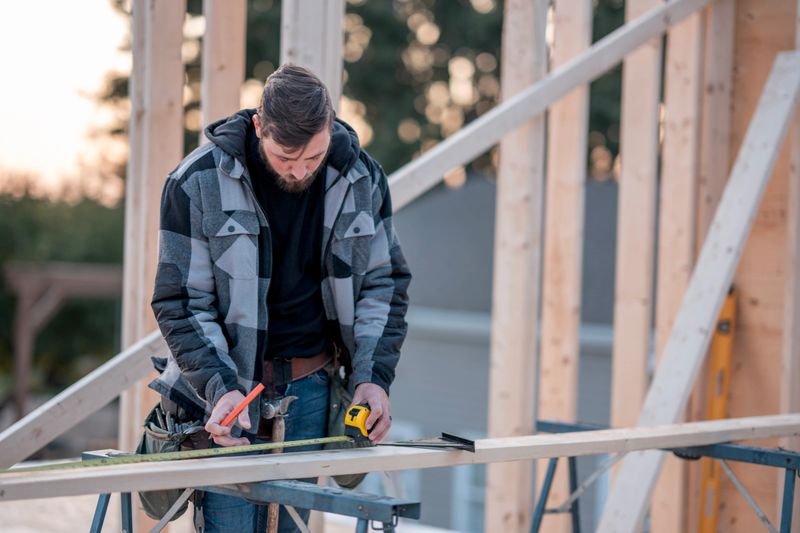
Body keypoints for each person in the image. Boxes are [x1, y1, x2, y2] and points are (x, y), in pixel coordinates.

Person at [149, 63, 411, 532]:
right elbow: (180, 302)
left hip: (313, 390)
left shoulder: (362, 179)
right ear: (258, 128)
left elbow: (383, 284)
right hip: (230, 398)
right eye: (285, 157)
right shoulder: (196, 183)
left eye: (313, 157)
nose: (299, 170)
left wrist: (374, 378)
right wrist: (219, 386)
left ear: (330, 127)